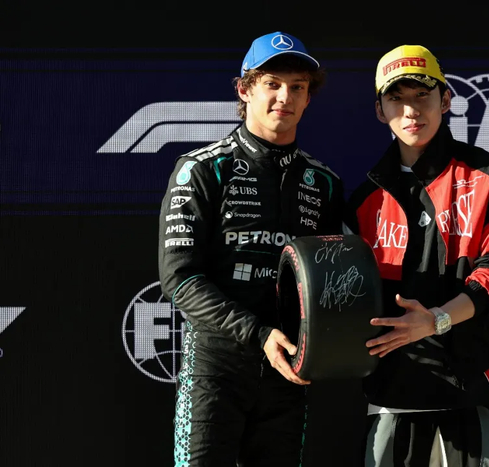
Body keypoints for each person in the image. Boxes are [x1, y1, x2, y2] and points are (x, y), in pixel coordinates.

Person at [345, 44, 489, 466]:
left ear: (446, 100)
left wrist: (437, 319)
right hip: (395, 396)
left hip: (482, 389)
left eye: (422, 95)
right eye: (396, 98)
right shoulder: (362, 201)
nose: (411, 111)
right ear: (379, 110)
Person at [158, 31, 344, 466]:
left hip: (287, 371)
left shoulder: (324, 183)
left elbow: (330, 284)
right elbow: (179, 278)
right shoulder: (202, 169)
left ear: (308, 97)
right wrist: (258, 334)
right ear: (245, 89)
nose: (285, 97)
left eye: (297, 86)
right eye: (272, 84)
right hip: (215, 369)